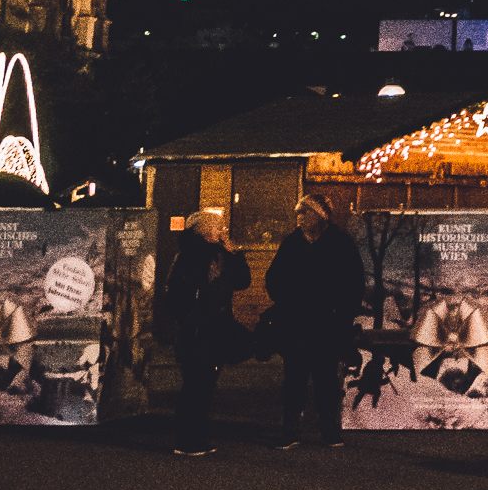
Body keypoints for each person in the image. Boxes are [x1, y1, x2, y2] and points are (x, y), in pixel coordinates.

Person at [265, 195, 364, 448]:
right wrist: (286, 303)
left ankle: (329, 430)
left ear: (320, 216)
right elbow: (274, 278)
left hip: (327, 323)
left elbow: (354, 282)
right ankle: (290, 430)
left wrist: (341, 314)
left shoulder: (340, 243)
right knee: (294, 379)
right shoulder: (292, 243)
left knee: (326, 379)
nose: (299, 218)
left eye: (304, 213)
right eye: (297, 213)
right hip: (296, 322)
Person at [156, 210, 251, 456]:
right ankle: (187, 439)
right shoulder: (189, 255)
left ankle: (198, 435)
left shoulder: (220, 254)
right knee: (195, 383)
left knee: (206, 383)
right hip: (195, 330)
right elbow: (179, 294)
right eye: (217, 227)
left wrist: (235, 255)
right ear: (203, 231)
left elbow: (242, 282)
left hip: (215, 328)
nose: (222, 231)